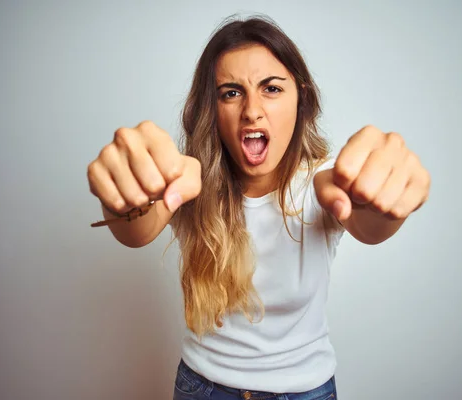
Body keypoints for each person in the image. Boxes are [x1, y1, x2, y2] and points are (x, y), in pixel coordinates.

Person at [87, 15, 431, 400]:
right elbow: (135, 232)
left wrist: (386, 203)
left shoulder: (324, 184)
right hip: (202, 388)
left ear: (300, 97)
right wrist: (124, 197)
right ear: (212, 109)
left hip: (304, 392)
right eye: (231, 93)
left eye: (271, 88)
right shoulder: (188, 183)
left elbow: (370, 225)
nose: (252, 110)